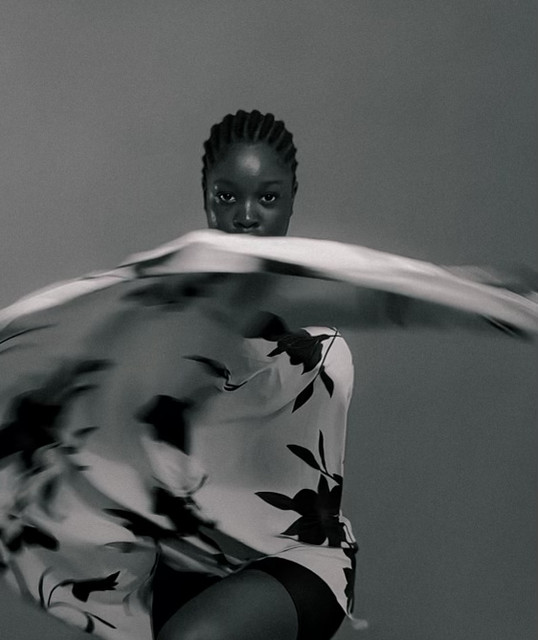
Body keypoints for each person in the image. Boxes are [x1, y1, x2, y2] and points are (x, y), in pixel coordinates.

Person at [0, 110, 536, 640]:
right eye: (227, 196)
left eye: (268, 198)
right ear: (207, 197)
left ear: (292, 199)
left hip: (296, 565)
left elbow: (382, 298)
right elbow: (85, 380)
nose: (246, 216)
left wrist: (475, 292)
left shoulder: (311, 333)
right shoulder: (168, 316)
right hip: (181, 567)